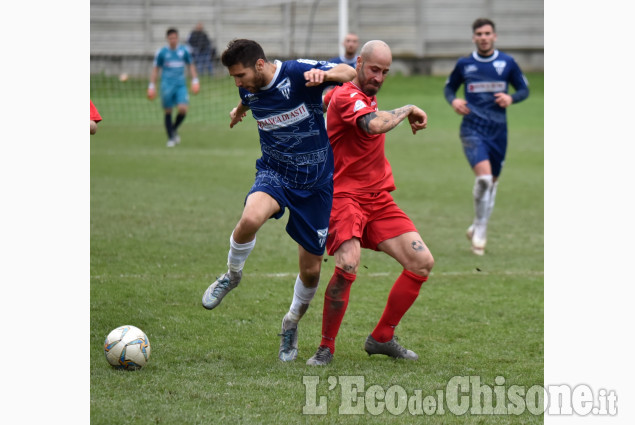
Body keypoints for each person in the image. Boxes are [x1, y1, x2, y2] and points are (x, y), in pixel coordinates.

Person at [201, 39, 356, 362]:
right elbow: (249, 97)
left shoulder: (298, 72)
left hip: (315, 184)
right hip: (275, 173)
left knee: (311, 271)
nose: (237, 82)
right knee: (250, 219)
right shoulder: (248, 87)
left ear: (260, 65)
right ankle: (232, 274)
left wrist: (324, 77)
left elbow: (349, 71)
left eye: (240, 75)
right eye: (234, 78)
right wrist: (239, 109)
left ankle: (290, 323)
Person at [306, 40, 434, 366]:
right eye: (374, 69)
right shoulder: (349, 94)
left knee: (422, 262)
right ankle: (325, 348)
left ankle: (382, 337)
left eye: (385, 72)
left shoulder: (354, 95)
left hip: (377, 199)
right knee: (348, 263)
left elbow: (320, 104)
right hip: (345, 197)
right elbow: (373, 124)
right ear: (360, 62)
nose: (379, 77)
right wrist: (408, 109)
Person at [444, 18, 529, 255]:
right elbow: (449, 88)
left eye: (487, 33)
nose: (483, 37)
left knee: (491, 184)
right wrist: (455, 101)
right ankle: (480, 230)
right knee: (483, 179)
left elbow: (524, 89)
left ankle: (478, 225)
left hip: (499, 131)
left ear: (494, 36)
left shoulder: (507, 63)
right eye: (479, 33)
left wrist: (511, 98)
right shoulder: (465, 64)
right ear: (474, 37)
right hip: (472, 128)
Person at [147, 28, 200, 147]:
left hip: (181, 85)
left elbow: (191, 65)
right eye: (171, 38)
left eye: (175, 38)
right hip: (166, 85)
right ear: (167, 39)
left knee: (183, 109)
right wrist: (151, 86)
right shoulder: (162, 53)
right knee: (168, 111)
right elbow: (156, 70)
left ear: (178, 38)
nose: (173, 40)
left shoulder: (183, 51)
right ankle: (171, 138)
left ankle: (173, 129)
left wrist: (195, 81)